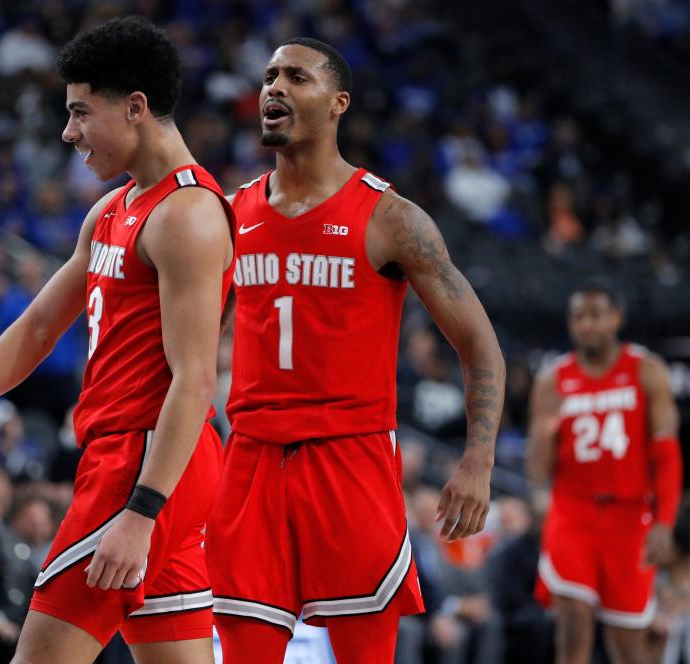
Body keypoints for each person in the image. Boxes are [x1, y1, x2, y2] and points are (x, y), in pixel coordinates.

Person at [0, 17, 234, 664]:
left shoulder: (188, 216)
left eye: (81, 112)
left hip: (144, 464)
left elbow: (195, 381)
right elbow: (38, 324)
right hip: (137, 459)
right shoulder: (114, 209)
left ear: (135, 108)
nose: (69, 132)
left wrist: (142, 510)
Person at [205, 38, 505, 663]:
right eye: (268, 76)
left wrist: (478, 462)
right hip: (252, 461)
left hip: (351, 458)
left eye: (296, 77)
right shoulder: (232, 215)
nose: (274, 87)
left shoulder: (391, 216)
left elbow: (480, 344)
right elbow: (189, 349)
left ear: (339, 103)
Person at [527, 282, 683, 664]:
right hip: (573, 512)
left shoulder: (647, 371)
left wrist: (664, 522)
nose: (586, 325)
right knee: (573, 623)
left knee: (629, 646)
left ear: (616, 318)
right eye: (578, 317)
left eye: (595, 315)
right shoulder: (553, 381)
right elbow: (536, 468)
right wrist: (545, 439)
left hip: (629, 517)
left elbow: (666, 455)